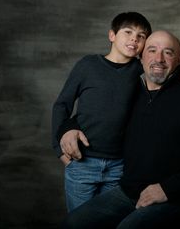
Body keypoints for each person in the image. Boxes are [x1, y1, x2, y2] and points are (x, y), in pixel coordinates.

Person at [60, 30, 180, 229]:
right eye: (152, 50)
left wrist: (166, 189)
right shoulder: (130, 91)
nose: (159, 59)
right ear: (141, 57)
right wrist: (69, 127)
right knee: (73, 224)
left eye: (168, 52)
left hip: (175, 196)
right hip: (127, 191)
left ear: (179, 60)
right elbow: (97, 116)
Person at [51, 12, 152, 212]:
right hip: (83, 161)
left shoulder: (142, 72)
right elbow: (62, 105)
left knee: (110, 220)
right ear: (112, 35)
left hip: (119, 166)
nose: (134, 38)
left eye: (141, 36)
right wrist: (59, 149)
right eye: (128, 32)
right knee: (81, 222)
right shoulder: (88, 65)